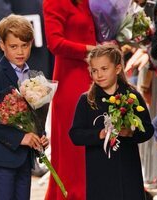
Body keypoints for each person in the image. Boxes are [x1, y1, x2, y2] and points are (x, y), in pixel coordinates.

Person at [0, 14, 49, 199]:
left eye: (24, 46)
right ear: (2, 45)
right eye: (13, 46)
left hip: (24, 160)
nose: (20, 52)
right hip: (0, 160)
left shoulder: (33, 76)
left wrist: (40, 136)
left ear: (31, 43)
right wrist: (20, 138)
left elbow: (34, 115)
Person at [69, 44, 154, 200]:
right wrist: (99, 134)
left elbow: (148, 130)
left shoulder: (132, 96)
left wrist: (130, 133)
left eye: (104, 69)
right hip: (100, 173)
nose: (99, 74)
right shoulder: (86, 100)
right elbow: (75, 134)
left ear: (117, 69)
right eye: (94, 71)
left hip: (128, 170)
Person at [43, 0, 97, 199]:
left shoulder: (85, 1)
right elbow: (55, 43)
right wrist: (88, 49)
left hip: (94, 76)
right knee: (72, 151)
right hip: (71, 81)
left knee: (90, 148)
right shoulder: (54, 2)